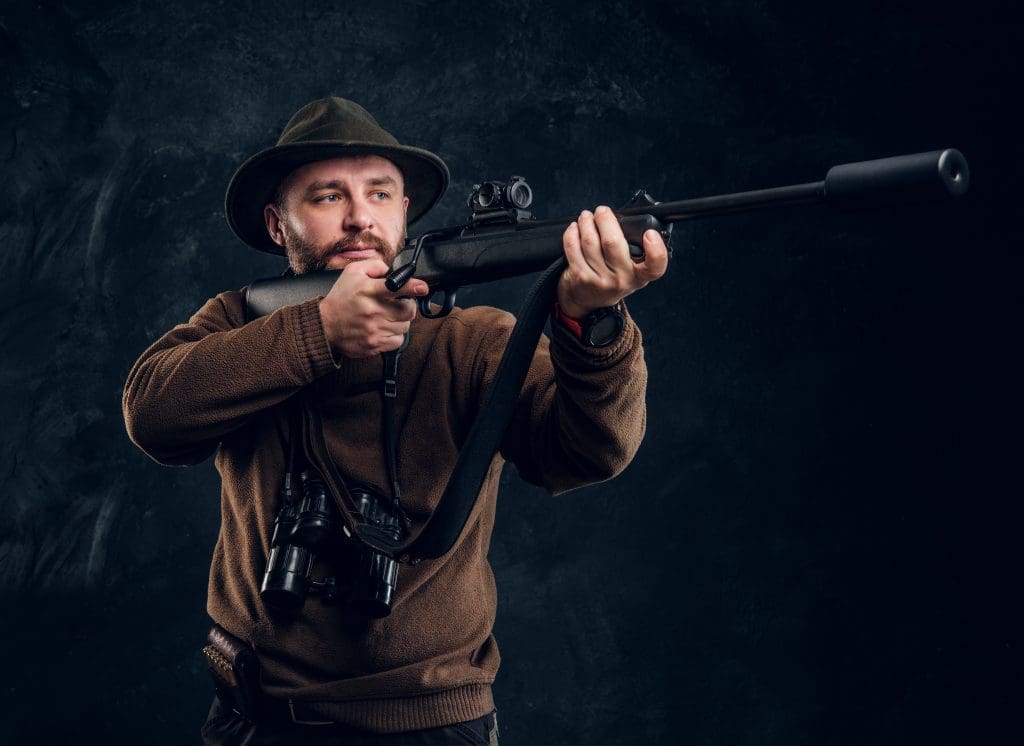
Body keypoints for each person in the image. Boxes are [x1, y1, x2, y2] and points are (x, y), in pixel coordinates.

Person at [122, 97, 668, 745]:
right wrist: (319, 331)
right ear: (277, 225)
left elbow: (589, 453)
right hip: (253, 717)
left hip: (430, 724)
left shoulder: (476, 342)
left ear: (406, 212)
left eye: (380, 193)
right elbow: (153, 414)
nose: (359, 217)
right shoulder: (239, 321)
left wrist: (592, 322)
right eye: (327, 197)